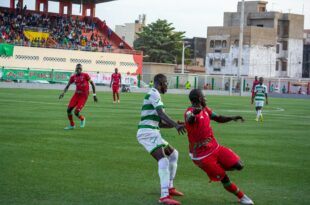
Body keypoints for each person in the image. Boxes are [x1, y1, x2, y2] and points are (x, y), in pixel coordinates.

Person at [184, 89, 254, 205]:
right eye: (204, 96)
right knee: (224, 178)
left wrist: (232, 118)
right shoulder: (189, 112)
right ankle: (242, 197)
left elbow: (218, 118)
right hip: (202, 156)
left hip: (215, 148)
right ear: (199, 98)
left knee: (239, 165)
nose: (206, 98)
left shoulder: (205, 109)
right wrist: (194, 114)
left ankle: (217, 167)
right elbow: (189, 119)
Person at [136, 74, 186, 205]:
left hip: (153, 131)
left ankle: (170, 187)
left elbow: (160, 123)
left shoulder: (156, 95)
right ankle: (164, 196)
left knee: (174, 154)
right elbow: (161, 114)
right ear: (160, 83)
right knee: (163, 160)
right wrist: (175, 125)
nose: (167, 86)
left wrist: (178, 123)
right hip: (147, 133)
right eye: (166, 83)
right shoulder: (154, 93)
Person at [59, 64, 98, 130]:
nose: (78, 69)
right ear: (76, 69)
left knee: (76, 112)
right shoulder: (73, 77)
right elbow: (68, 85)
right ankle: (72, 125)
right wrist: (63, 93)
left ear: (81, 69)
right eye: (77, 68)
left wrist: (94, 95)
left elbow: (92, 84)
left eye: (80, 68)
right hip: (76, 95)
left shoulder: (85, 75)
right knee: (68, 110)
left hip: (84, 96)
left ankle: (82, 119)